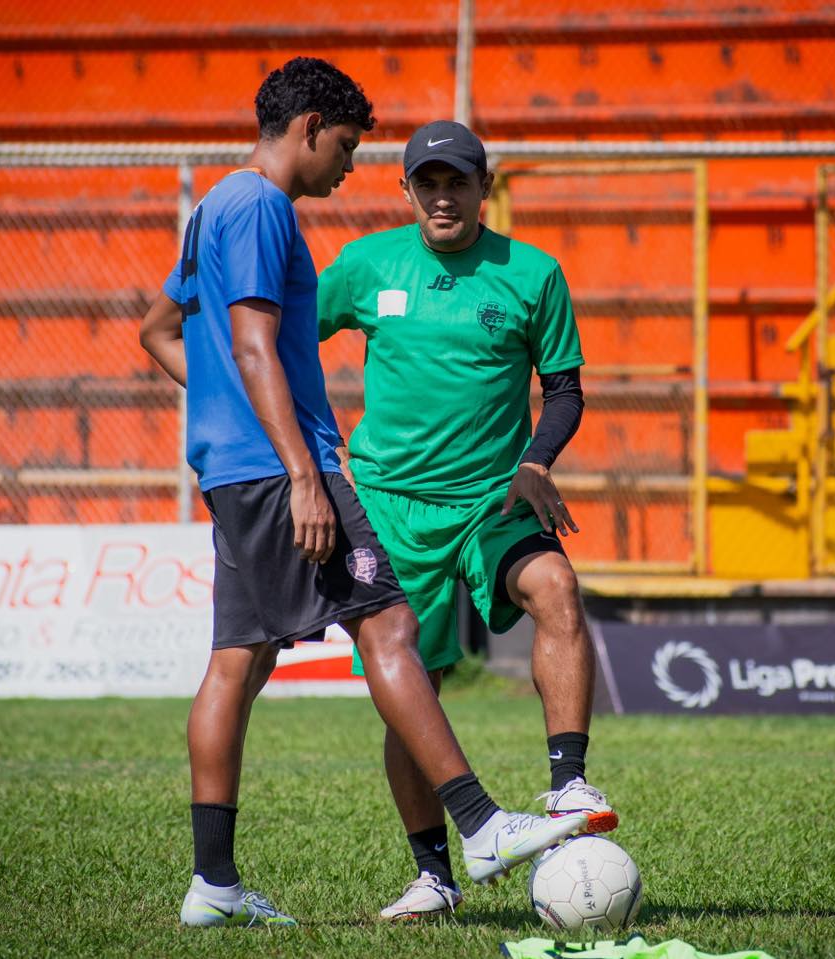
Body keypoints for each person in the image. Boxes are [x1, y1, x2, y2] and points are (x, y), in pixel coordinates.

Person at [138, 62, 591, 929]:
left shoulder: (213, 207)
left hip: (234, 470)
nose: (348, 168)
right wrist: (304, 472)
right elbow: (256, 345)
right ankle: (482, 826)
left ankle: (214, 886)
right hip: (285, 469)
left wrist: (227, 413)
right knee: (389, 627)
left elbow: (162, 328)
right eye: (346, 147)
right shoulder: (264, 206)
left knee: (239, 659)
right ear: (309, 127)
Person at [317, 119, 615, 922]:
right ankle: (434, 875)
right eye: (428, 182)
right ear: (406, 189)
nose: (443, 197)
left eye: (458, 182)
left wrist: (535, 460)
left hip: (494, 497)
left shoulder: (533, 273)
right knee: (414, 685)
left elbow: (566, 390)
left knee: (556, 587)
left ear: (485, 189)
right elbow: (281, 342)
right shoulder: (366, 264)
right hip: (390, 507)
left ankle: (567, 784)